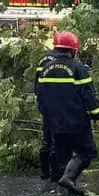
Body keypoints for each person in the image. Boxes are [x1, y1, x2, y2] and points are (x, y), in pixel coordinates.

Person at [36, 31, 99, 196]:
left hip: (54, 121)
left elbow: (40, 95)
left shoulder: (45, 68)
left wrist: (47, 116)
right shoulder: (77, 68)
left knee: (62, 153)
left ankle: (67, 189)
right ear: (73, 50)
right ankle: (68, 178)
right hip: (76, 120)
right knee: (87, 152)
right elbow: (87, 94)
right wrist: (95, 115)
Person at [34, 46, 59, 181]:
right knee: (56, 138)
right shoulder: (59, 61)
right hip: (57, 104)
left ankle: (45, 172)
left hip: (44, 103)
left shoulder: (43, 59)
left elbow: (38, 85)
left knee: (47, 137)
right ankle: (55, 173)